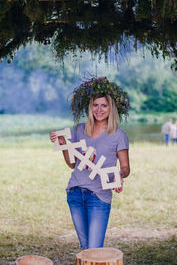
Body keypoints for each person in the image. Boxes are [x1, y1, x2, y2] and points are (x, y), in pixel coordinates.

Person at [49, 77, 130, 250]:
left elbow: (125, 167)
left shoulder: (118, 135)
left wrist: (119, 176)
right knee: (85, 248)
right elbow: (72, 164)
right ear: (90, 107)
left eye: (104, 105)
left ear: (111, 108)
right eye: (95, 105)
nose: (99, 110)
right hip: (75, 193)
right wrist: (64, 145)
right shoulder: (79, 130)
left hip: (98, 196)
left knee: (94, 249)